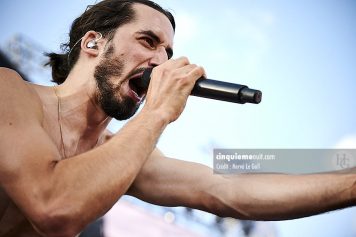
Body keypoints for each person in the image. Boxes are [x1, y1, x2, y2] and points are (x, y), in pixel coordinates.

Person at [0, 0, 355, 236]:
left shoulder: (118, 152)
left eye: (167, 52)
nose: (161, 62)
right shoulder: (11, 91)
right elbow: (53, 205)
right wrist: (158, 112)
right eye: (147, 41)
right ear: (93, 43)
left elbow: (227, 191)